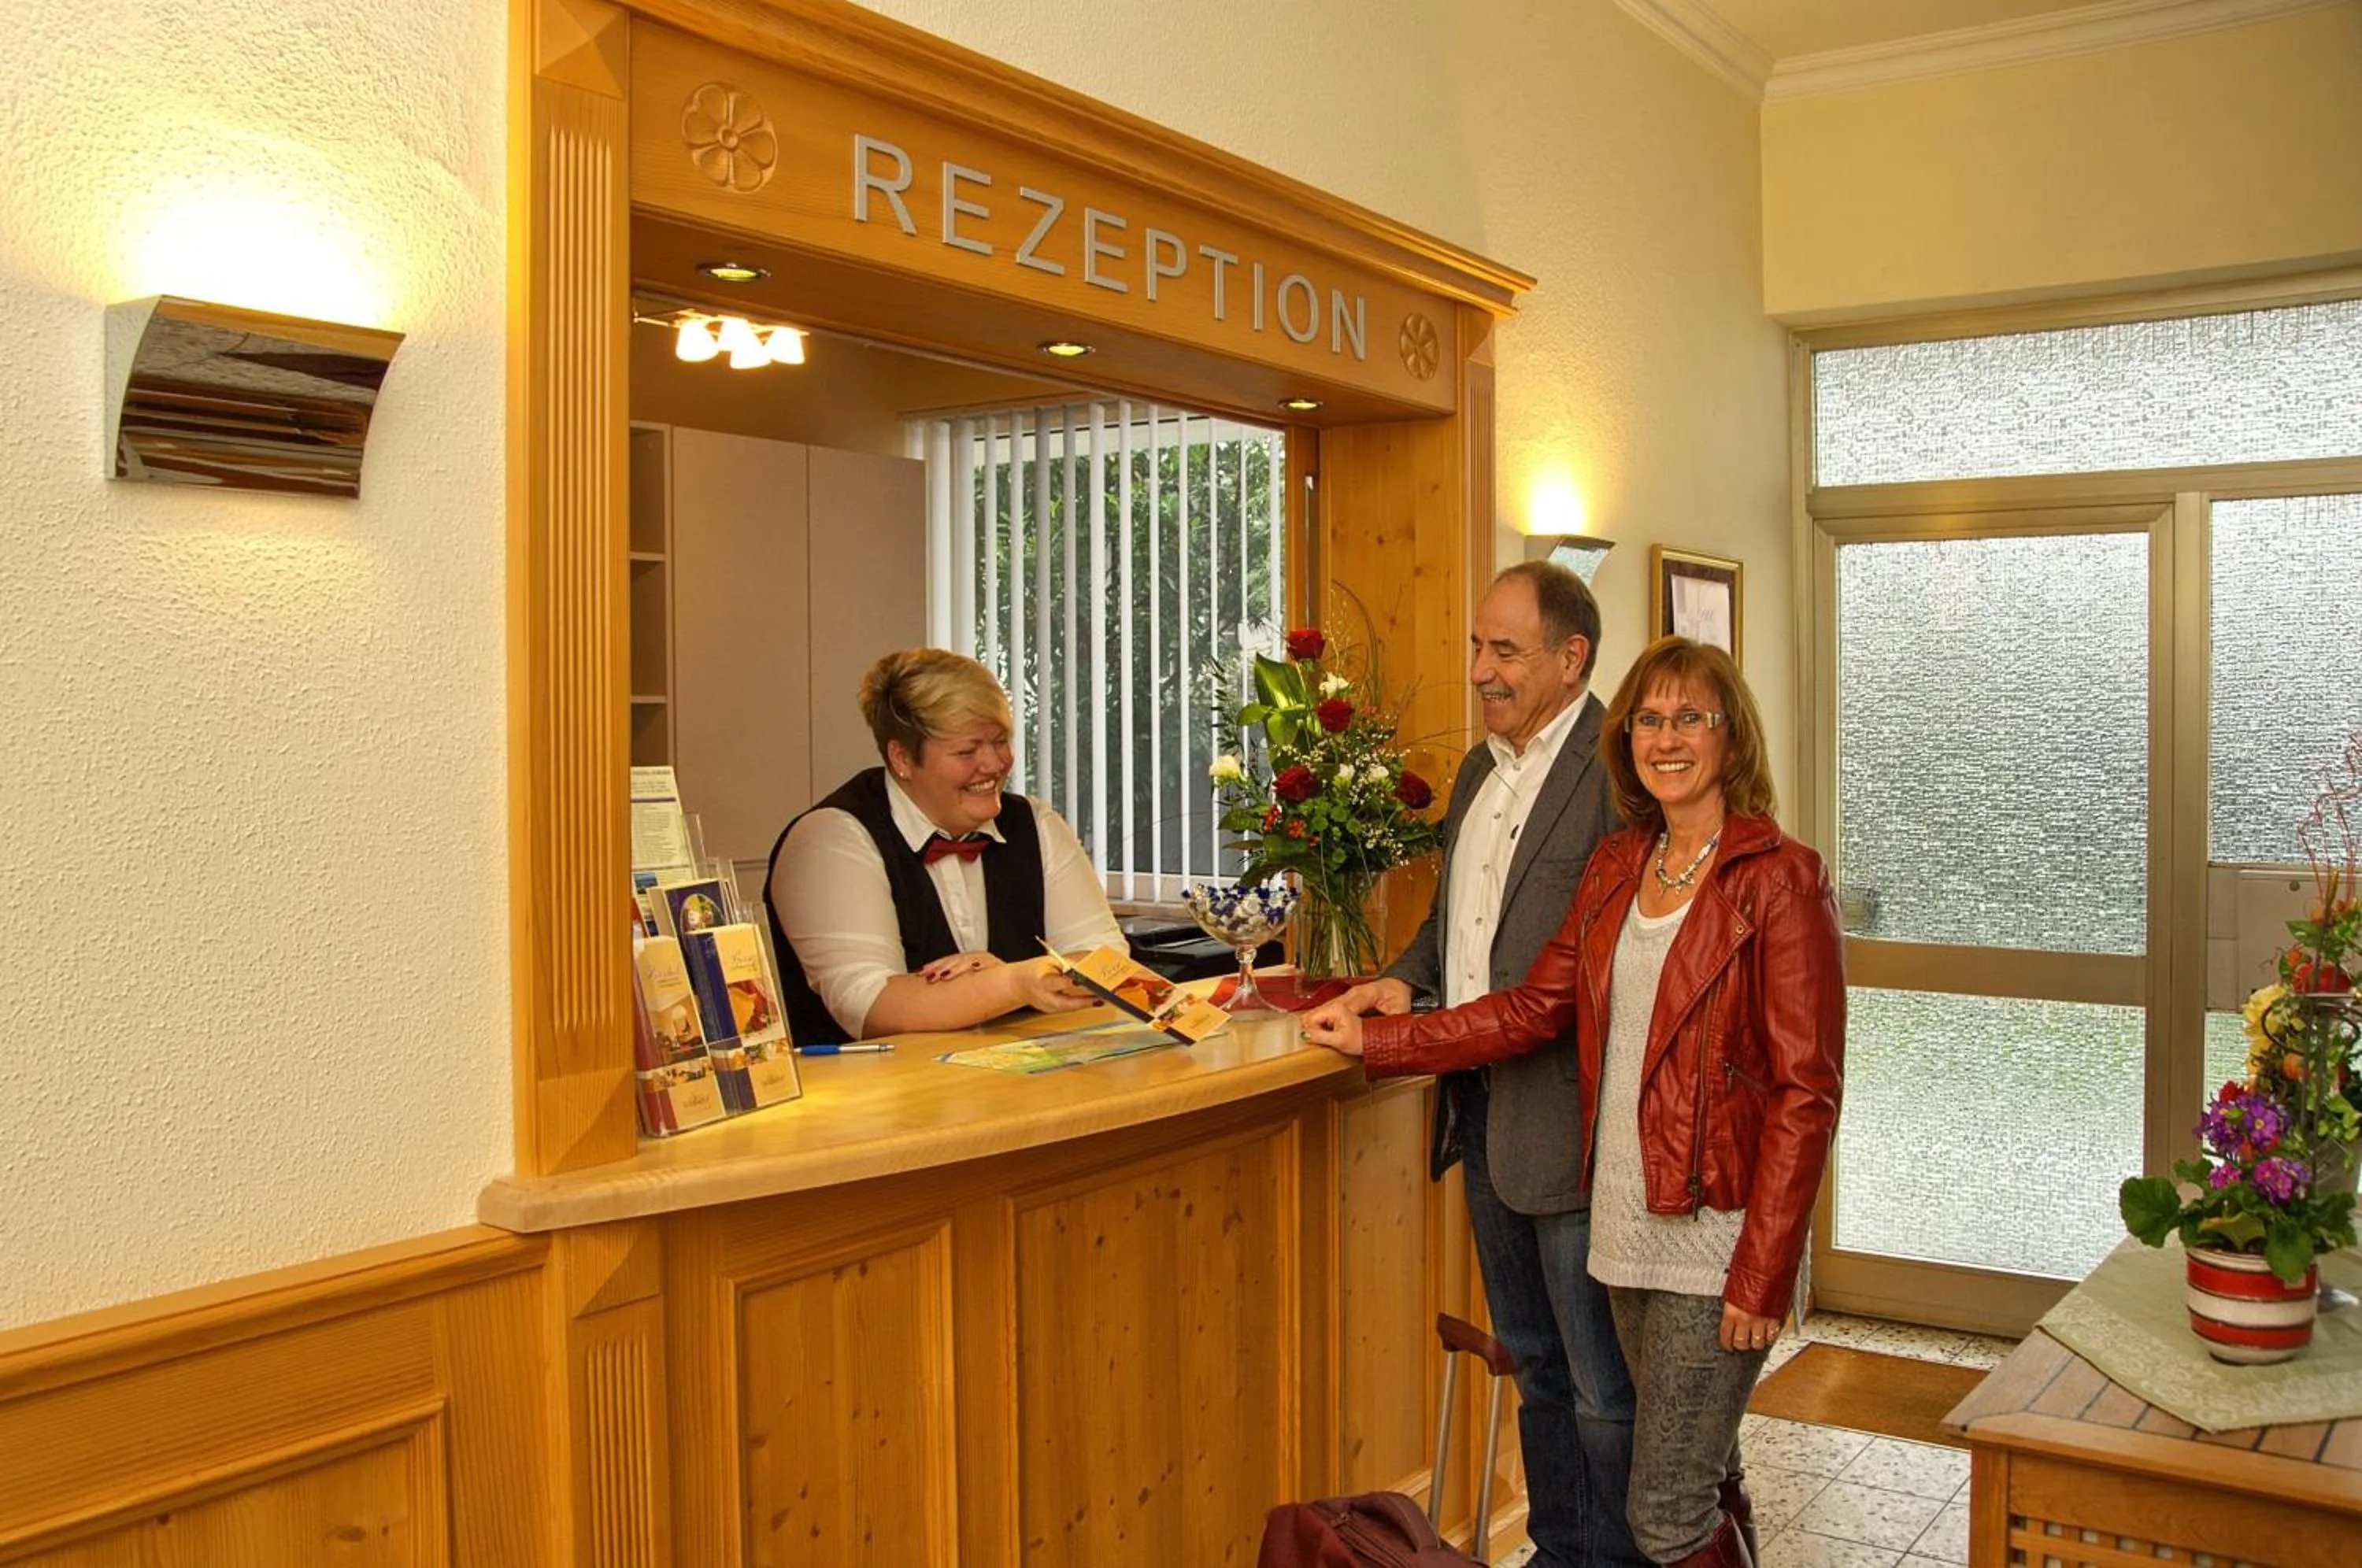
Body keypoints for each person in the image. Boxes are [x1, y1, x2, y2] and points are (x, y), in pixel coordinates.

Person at [1304, 636, 1844, 1568]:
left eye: (1691, 718)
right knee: (1706, 1473)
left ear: (1731, 737)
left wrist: (1763, 1270)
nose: (1666, 739)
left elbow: (1808, 1092)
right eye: (1649, 720)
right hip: (1626, 1226)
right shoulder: (1619, 866)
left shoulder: (1780, 877)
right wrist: (1382, 1041)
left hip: (1717, 1237)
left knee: (1665, 1511)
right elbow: (1531, 1009)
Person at [1314, 560, 1643, 1568]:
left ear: (1571, 658)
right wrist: (1399, 981)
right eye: (1475, 647)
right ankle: (1561, 1550)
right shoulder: (1476, 771)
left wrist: (1391, 1043)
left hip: (1573, 1127)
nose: (1479, 671)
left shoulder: (1618, 772)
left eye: (1505, 650)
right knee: (1534, 1367)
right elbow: (1455, 924)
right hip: (1482, 1116)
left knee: (1601, 1386)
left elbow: (1565, 990)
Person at [767, 647, 1122, 1041]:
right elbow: (869, 1005)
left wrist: (1010, 979)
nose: (994, 764)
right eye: (967, 751)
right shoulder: (831, 840)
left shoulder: (1035, 825)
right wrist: (1011, 983)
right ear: (902, 758)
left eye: (1000, 741)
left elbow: (1109, 961)